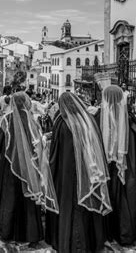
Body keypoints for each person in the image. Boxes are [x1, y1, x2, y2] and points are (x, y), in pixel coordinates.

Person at [45, 92, 110, 252]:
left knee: (69, 207)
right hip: (89, 172)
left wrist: (50, 171)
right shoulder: (88, 120)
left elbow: (56, 153)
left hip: (66, 174)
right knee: (85, 209)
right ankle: (91, 241)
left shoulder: (61, 122)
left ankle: (69, 242)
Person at [0, 92, 58, 244]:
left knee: (11, 198)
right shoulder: (32, 121)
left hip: (10, 169)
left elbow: (1, 147)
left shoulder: (6, 121)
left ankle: (9, 230)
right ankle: (31, 233)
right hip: (30, 168)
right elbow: (38, 145)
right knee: (28, 198)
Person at [95, 85, 136, 245]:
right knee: (124, 197)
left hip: (103, 167)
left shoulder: (97, 117)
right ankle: (123, 232)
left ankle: (104, 232)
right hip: (125, 167)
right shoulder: (130, 118)